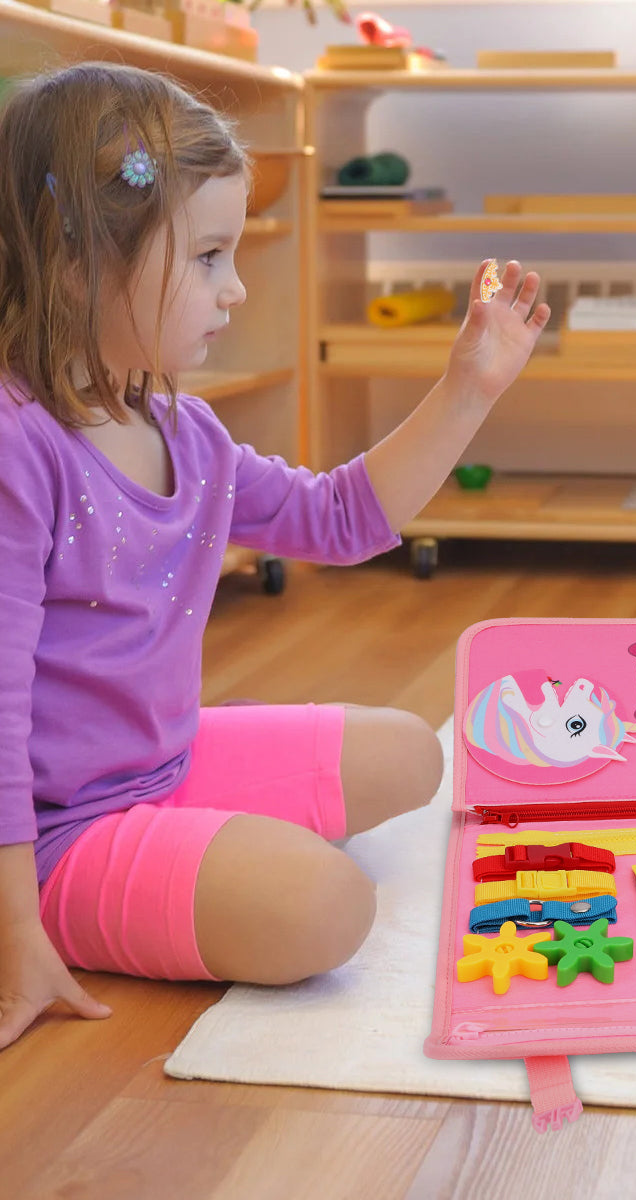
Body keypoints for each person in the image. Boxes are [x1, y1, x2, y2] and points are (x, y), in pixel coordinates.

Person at [0, 62, 550, 1051]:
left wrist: (468, 386)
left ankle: (203, 854)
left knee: (413, 751)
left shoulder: (188, 431)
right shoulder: (18, 447)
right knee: (325, 910)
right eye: (208, 256)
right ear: (78, 262)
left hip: (160, 763)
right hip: (54, 836)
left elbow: (341, 518)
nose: (236, 287)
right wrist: (14, 932)